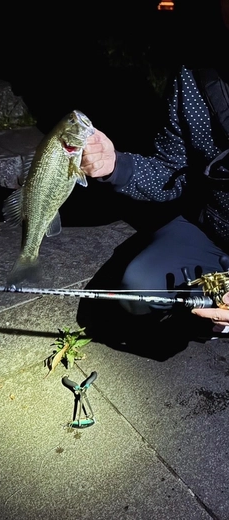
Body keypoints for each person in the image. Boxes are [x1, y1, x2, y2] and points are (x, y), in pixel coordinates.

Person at [79, 0, 229, 344]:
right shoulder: (195, 77)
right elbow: (169, 172)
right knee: (138, 288)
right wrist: (115, 164)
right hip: (212, 229)